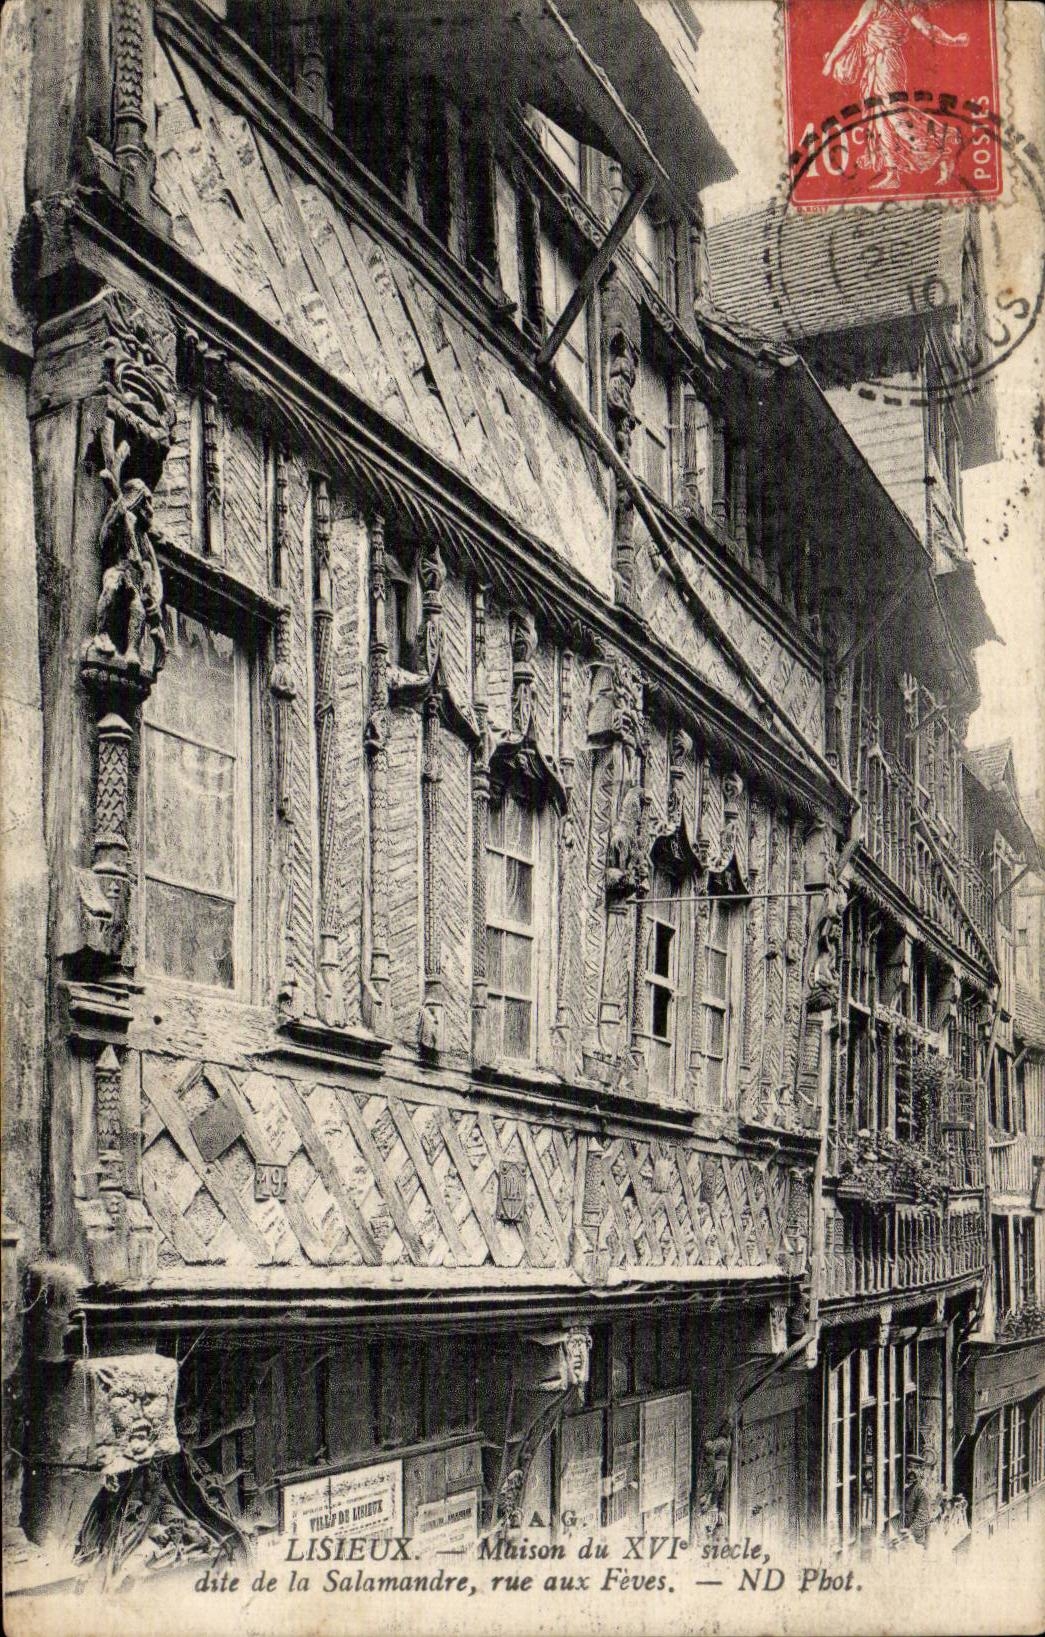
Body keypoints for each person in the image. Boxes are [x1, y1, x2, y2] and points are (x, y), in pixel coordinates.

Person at [822, 1, 969, 191]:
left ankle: (942, 149)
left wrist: (831, 61)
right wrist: (953, 40)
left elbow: (852, 33)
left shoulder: (890, 4)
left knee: (894, 114)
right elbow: (929, 31)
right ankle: (893, 173)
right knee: (879, 117)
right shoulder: (895, 4)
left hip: (887, 64)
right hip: (875, 64)